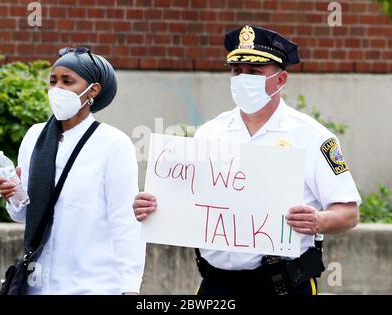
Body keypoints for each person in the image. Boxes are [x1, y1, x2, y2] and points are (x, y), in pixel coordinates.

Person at [133, 25, 361, 295]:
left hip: (282, 285)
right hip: (217, 285)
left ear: (280, 80)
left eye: (254, 72)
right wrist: (153, 206)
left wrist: (319, 221)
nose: (242, 79)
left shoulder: (311, 137)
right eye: (236, 71)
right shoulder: (210, 132)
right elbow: (186, 199)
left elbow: (348, 213)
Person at [0, 48, 145, 295]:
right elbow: (23, 215)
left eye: (68, 81)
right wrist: (12, 195)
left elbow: (124, 221)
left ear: (93, 90)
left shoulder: (113, 143)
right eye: (53, 81)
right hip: (39, 284)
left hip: (93, 284)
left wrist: (130, 286)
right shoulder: (35, 136)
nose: (58, 89)